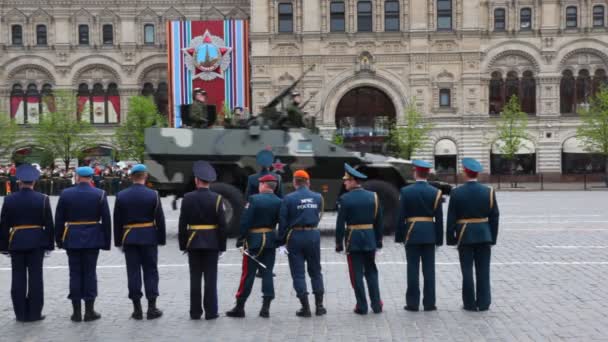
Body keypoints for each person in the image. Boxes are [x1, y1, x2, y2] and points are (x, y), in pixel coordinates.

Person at [55, 166, 112, 322]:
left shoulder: (66, 194)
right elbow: (106, 220)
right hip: (93, 238)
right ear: (91, 177)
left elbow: (59, 219)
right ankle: (89, 311)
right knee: (90, 273)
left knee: (74, 274)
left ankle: (76, 312)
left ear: (77, 177)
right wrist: (106, 242)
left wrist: (59, 239)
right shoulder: (100, 194)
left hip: (72, 237)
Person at [0, 164, 54, 322]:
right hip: (37, 241)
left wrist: (3, 247)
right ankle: (35, 313)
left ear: (19, 182)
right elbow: (49, 224)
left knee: (18, 278)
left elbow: (3, 225)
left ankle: (21, 314)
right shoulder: (43, 199)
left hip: (16, 241)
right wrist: (49, 245)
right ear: (34, 182)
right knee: (36, 278)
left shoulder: (9, 199)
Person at [113, 164, 166, 320]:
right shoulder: (153, 195)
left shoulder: (121, 195)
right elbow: (160, 220)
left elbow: (117, 221)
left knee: (133, 272)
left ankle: (137, 309)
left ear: (131, 177)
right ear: (145, 176)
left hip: (129, 238)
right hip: (149, 236)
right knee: (151, 271)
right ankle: (152, 308)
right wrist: (161, 239)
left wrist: (118, 241)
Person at [447, 158, 499, 312]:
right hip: (484, 235)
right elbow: (495, 217)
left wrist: (452, 239)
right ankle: (484, 303)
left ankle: (469, 303)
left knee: (467, 271)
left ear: (465, 172)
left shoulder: (456, 192)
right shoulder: (489, 191)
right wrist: (492, 238)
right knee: (483, 270)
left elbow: (451, 218)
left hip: (464, 235)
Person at [226, 174, 282, 318]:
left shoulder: (254, 199)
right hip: (270, 239)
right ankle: (266, 307)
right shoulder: (279, 201)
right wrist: (279, 240)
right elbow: (282, 222)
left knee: (248, 274)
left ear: (263, 185)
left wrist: (241, 238)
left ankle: (240, 306)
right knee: (267, 272)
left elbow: (245, 221)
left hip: (253, 241)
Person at [178, 161, 227, 320]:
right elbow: (222, 225)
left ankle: (195, 312)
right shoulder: (218, 199)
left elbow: (182, 224)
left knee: (195, 279)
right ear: (209, 182)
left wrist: (183, 244)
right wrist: (222, 246)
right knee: (211, 279)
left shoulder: (187, 198)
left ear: (196, 180)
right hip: (212, 243)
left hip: (193, 242)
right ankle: (211, 312)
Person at [395, 160, 444, 312]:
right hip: (429, 233)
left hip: (412, 233)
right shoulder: (435, 192)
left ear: (415, 173)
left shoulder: (406, 191)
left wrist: (400, 236)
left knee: (412, 269)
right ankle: (429, 303)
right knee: (429, 270)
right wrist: (439, 239)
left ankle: (412, 303)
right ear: (428, 174)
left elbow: (400, 216)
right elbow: (439, 219)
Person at [335, 163, 384, 315]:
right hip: (370, 239)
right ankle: (376, 305)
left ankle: (361, 306)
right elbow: (379, 221)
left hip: (353, 240)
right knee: (371, 273)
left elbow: (340, 224)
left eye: (347, 180)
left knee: (356, 275)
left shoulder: (345, 198)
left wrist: (339, 243)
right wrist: (379, 241)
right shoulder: (373, 196)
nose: (344, 183)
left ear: (354, 181)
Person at [278, 170, 326, 317]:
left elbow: (283, 222)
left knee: (298, 274)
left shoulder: (288, 198)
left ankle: (305, 308)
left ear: (294, 182)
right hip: (313, 235)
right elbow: (319, 215)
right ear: (308, 182)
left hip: (295, 236)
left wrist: (281, 242)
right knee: (316, 271)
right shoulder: (318, 197)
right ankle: (319, 306)